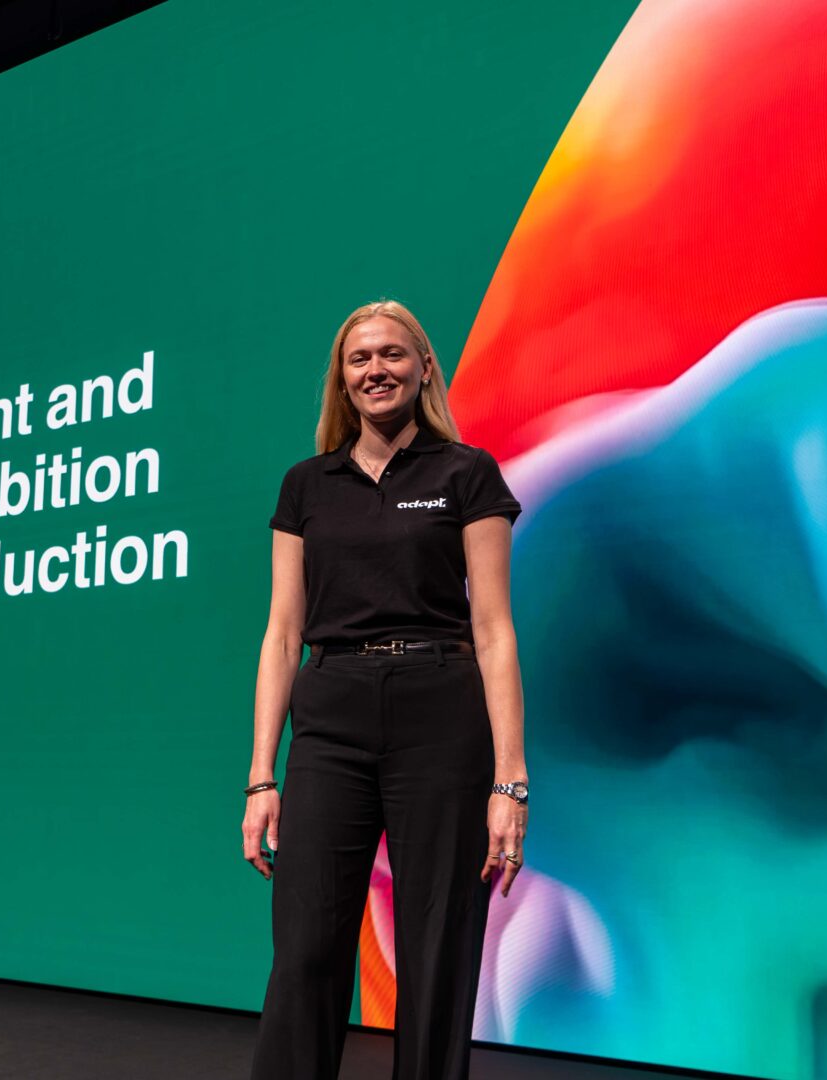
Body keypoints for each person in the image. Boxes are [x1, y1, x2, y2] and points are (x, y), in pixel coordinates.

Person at [244, 299, 528, 1080]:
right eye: (360, 358)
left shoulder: (465, 474)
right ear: (342, 378)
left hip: (441, 712)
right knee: (304, 949)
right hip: (331, 712)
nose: (377, 369)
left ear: (424, 367)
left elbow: (495, 631)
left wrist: (511, 781)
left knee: (437, 950)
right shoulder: (307, 486)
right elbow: (280, 633)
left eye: (393, 355)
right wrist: (261, 777)